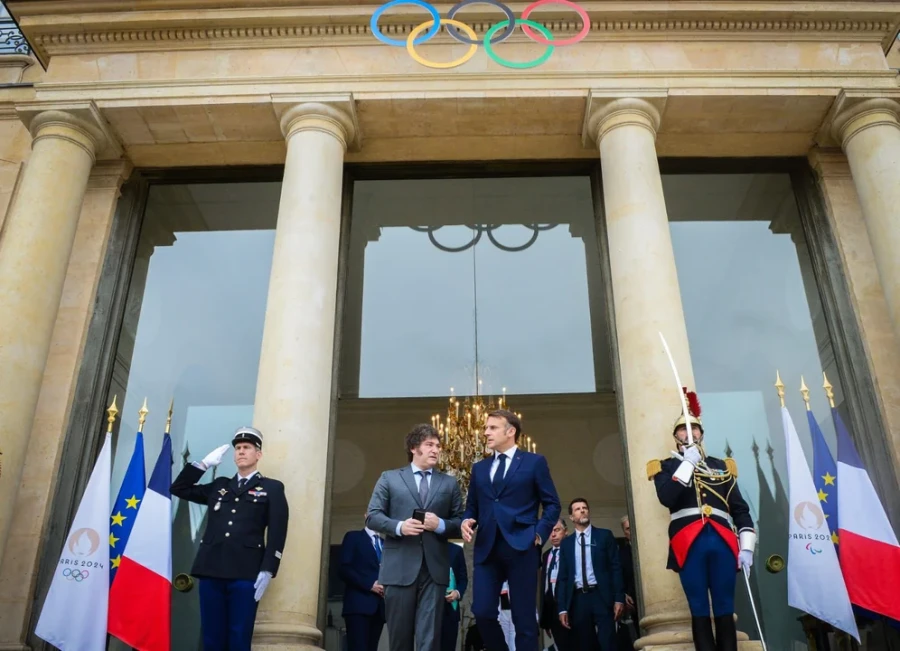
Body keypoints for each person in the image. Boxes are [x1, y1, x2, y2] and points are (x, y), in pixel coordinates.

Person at [647, 388, 755, 651]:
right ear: (676, 437)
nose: (689, 433)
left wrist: (747, 547)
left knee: (724, 606)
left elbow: (739, 509)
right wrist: (687, 464)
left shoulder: (721, 466)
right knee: (698, 607)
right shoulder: (664, 466)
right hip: (688, 542)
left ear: (701, 433)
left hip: (722, 541)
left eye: (693, 429)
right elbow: (668, 498)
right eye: (683, 429)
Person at [170, 426, 288, 651]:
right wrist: (202, 465)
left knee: (238, 636)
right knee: (212, 637)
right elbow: (179, 489)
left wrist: (268, 568)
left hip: (246, 572)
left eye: (247, 448)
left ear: (258, 454)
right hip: (211, 569)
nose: (241, 452)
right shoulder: (220, 486)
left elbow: (277, 531)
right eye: (238, 448)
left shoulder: (271, 488)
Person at [461, 409, 561, 651]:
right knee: (482, 612)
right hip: (486, 548)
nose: (485, 432)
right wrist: (467, 520)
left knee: (524, 619)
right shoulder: (479, 468)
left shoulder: (534, 463)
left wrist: (538, 533)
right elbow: (472, 506)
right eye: (486, 428)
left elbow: (552, 504)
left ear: (511, 431)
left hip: (522, 546)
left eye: (492, 427)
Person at [366, 424, 464, 651]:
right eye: (429, 445)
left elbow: (460, 523)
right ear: (413, 448)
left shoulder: (449, 483)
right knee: (399, 638)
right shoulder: (389, 478)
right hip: (398, 568)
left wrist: (439, 524)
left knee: (429, 638)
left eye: (438, 446)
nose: (436, 450)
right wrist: (400, 527)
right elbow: (373, 517)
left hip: (434, 570)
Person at [555, 498, 624, 651]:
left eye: (585, 508)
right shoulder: (567, 543)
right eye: (578, 509)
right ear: (572, 517)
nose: (582, 510)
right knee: (584, 644)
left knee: (608, 642)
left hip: (601, 595)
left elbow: (615, 568)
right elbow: (563, 577)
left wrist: (619, 598)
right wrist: (562, 608)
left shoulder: (604, 536)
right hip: (578, 599)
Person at [339, 515, 386, 651]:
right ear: (366, 515)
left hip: (380, 608)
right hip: (358, 605)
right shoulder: (353, 537)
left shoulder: (387, 544)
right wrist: (370, 585)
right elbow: (344, 569)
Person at [540, 519, 572, 651]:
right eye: (550, 531)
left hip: (570, 608)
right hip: (552, 610)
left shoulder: (572, 552)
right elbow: (545, 587)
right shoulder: (546, 555)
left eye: (557, 530)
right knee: (560, 644)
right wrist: (546, 619)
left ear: (566, 532)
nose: (553, 534)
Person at [615, 516, 639, 651]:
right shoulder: (620, 554)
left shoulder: (651, 549)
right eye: (628, 529)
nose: (632, 531)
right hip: (632, 603)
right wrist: (623, 594)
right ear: (625, 533)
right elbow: (618, 576)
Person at [441, 543, 468, 651]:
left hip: (450, 610)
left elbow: (463, 579)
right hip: (429, 611)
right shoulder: (424, 549)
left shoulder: (456, 550)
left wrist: (457, 593)